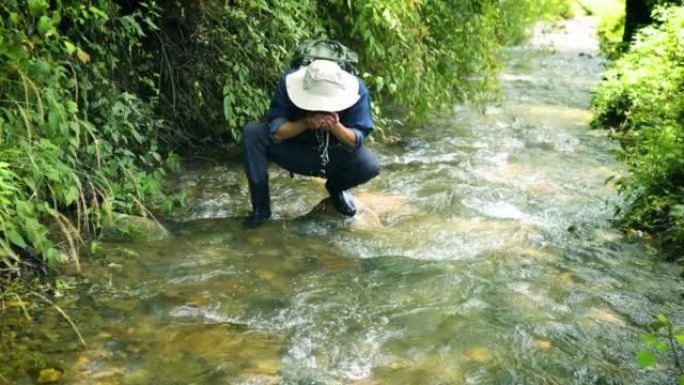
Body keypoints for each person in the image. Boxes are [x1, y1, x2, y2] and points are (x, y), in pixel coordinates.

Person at [242, 59, 380, 227]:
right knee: (252, 133)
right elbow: (276, 131)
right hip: (294, 149)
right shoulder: (288, 83)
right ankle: (261, 212)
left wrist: (335, 126)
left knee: (369, 164)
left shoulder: (358, 90)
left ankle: (336, 189)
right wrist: (306, 123)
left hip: (334, 154)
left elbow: (355, 141)